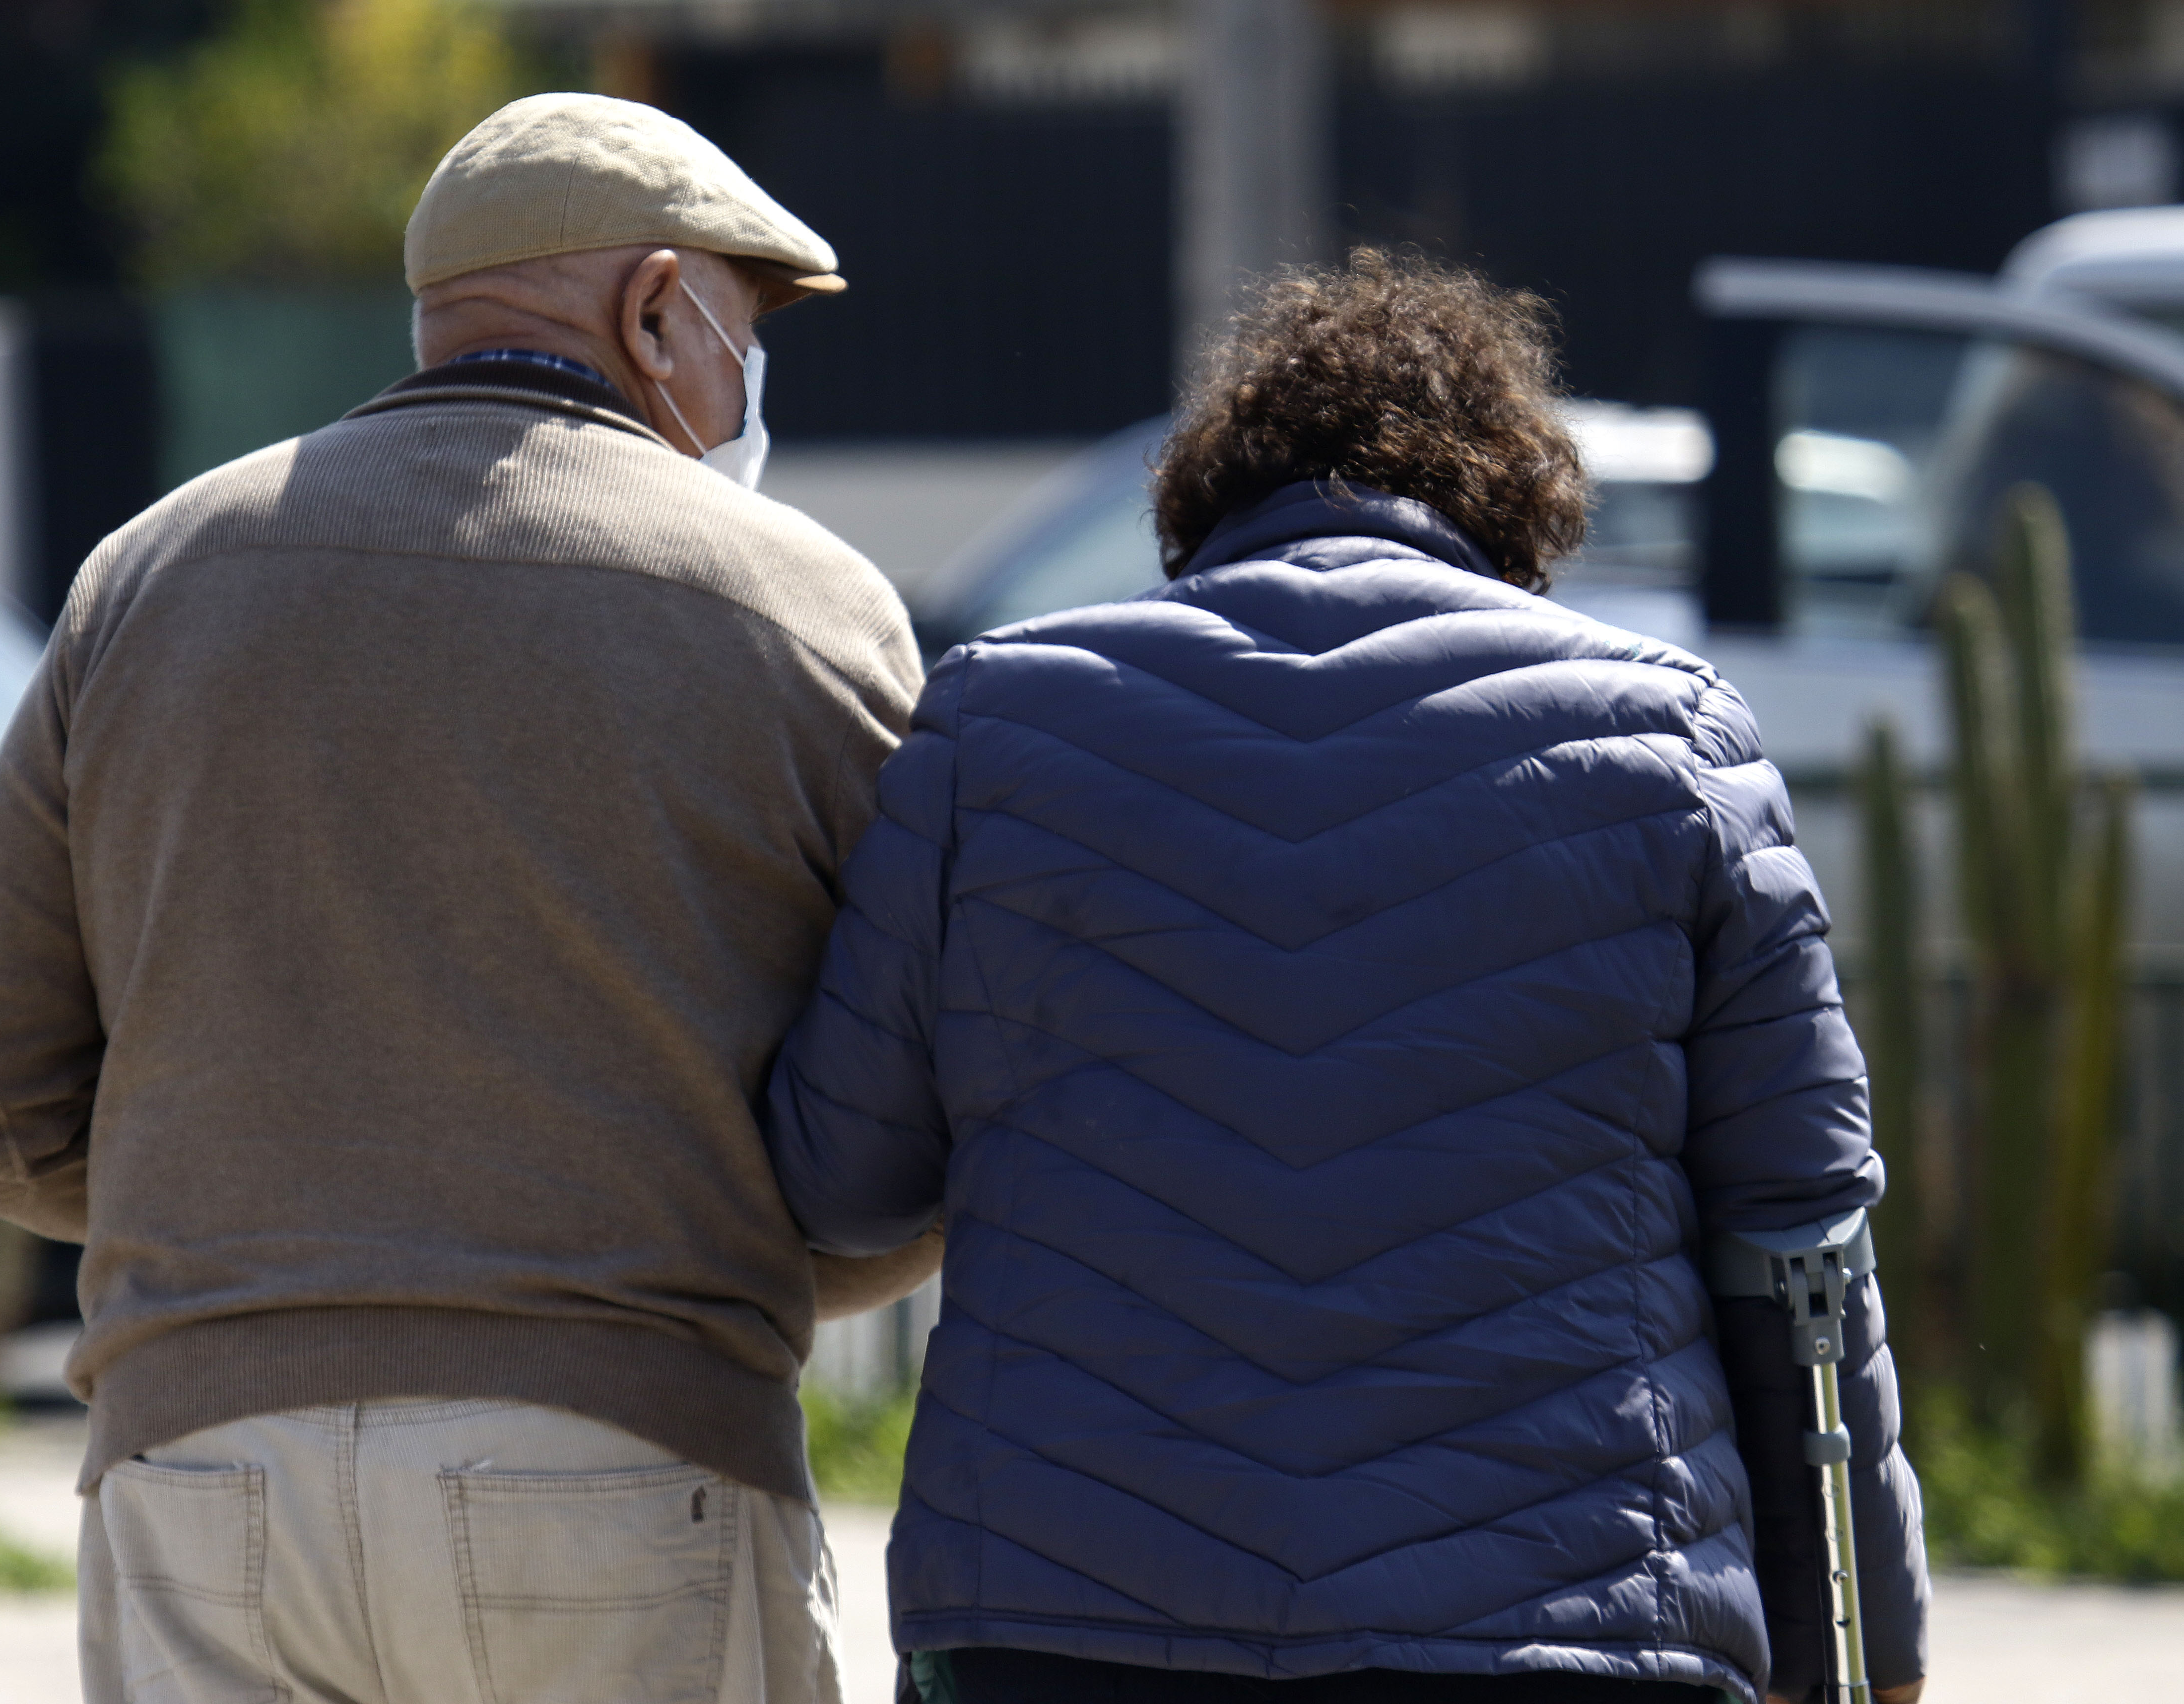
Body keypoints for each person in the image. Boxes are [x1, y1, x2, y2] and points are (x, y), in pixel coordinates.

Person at [761, 252, 1930, 1704]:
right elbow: (1803, 1249)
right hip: (1568, 1625)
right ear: (1516, 512)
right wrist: (1864, 1649)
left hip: (1073, 1629)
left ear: (1202, 506)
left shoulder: (999, 721)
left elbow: (841, 1179)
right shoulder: (1670, 741)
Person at [0, 92, 937, 1704]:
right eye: (743, 321)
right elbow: (906, 1127)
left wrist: (258, 1215)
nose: (749, 375)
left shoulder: (149, 579)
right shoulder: (805, 610)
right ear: (658, 309)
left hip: (200, 1474)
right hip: (628, 1452)